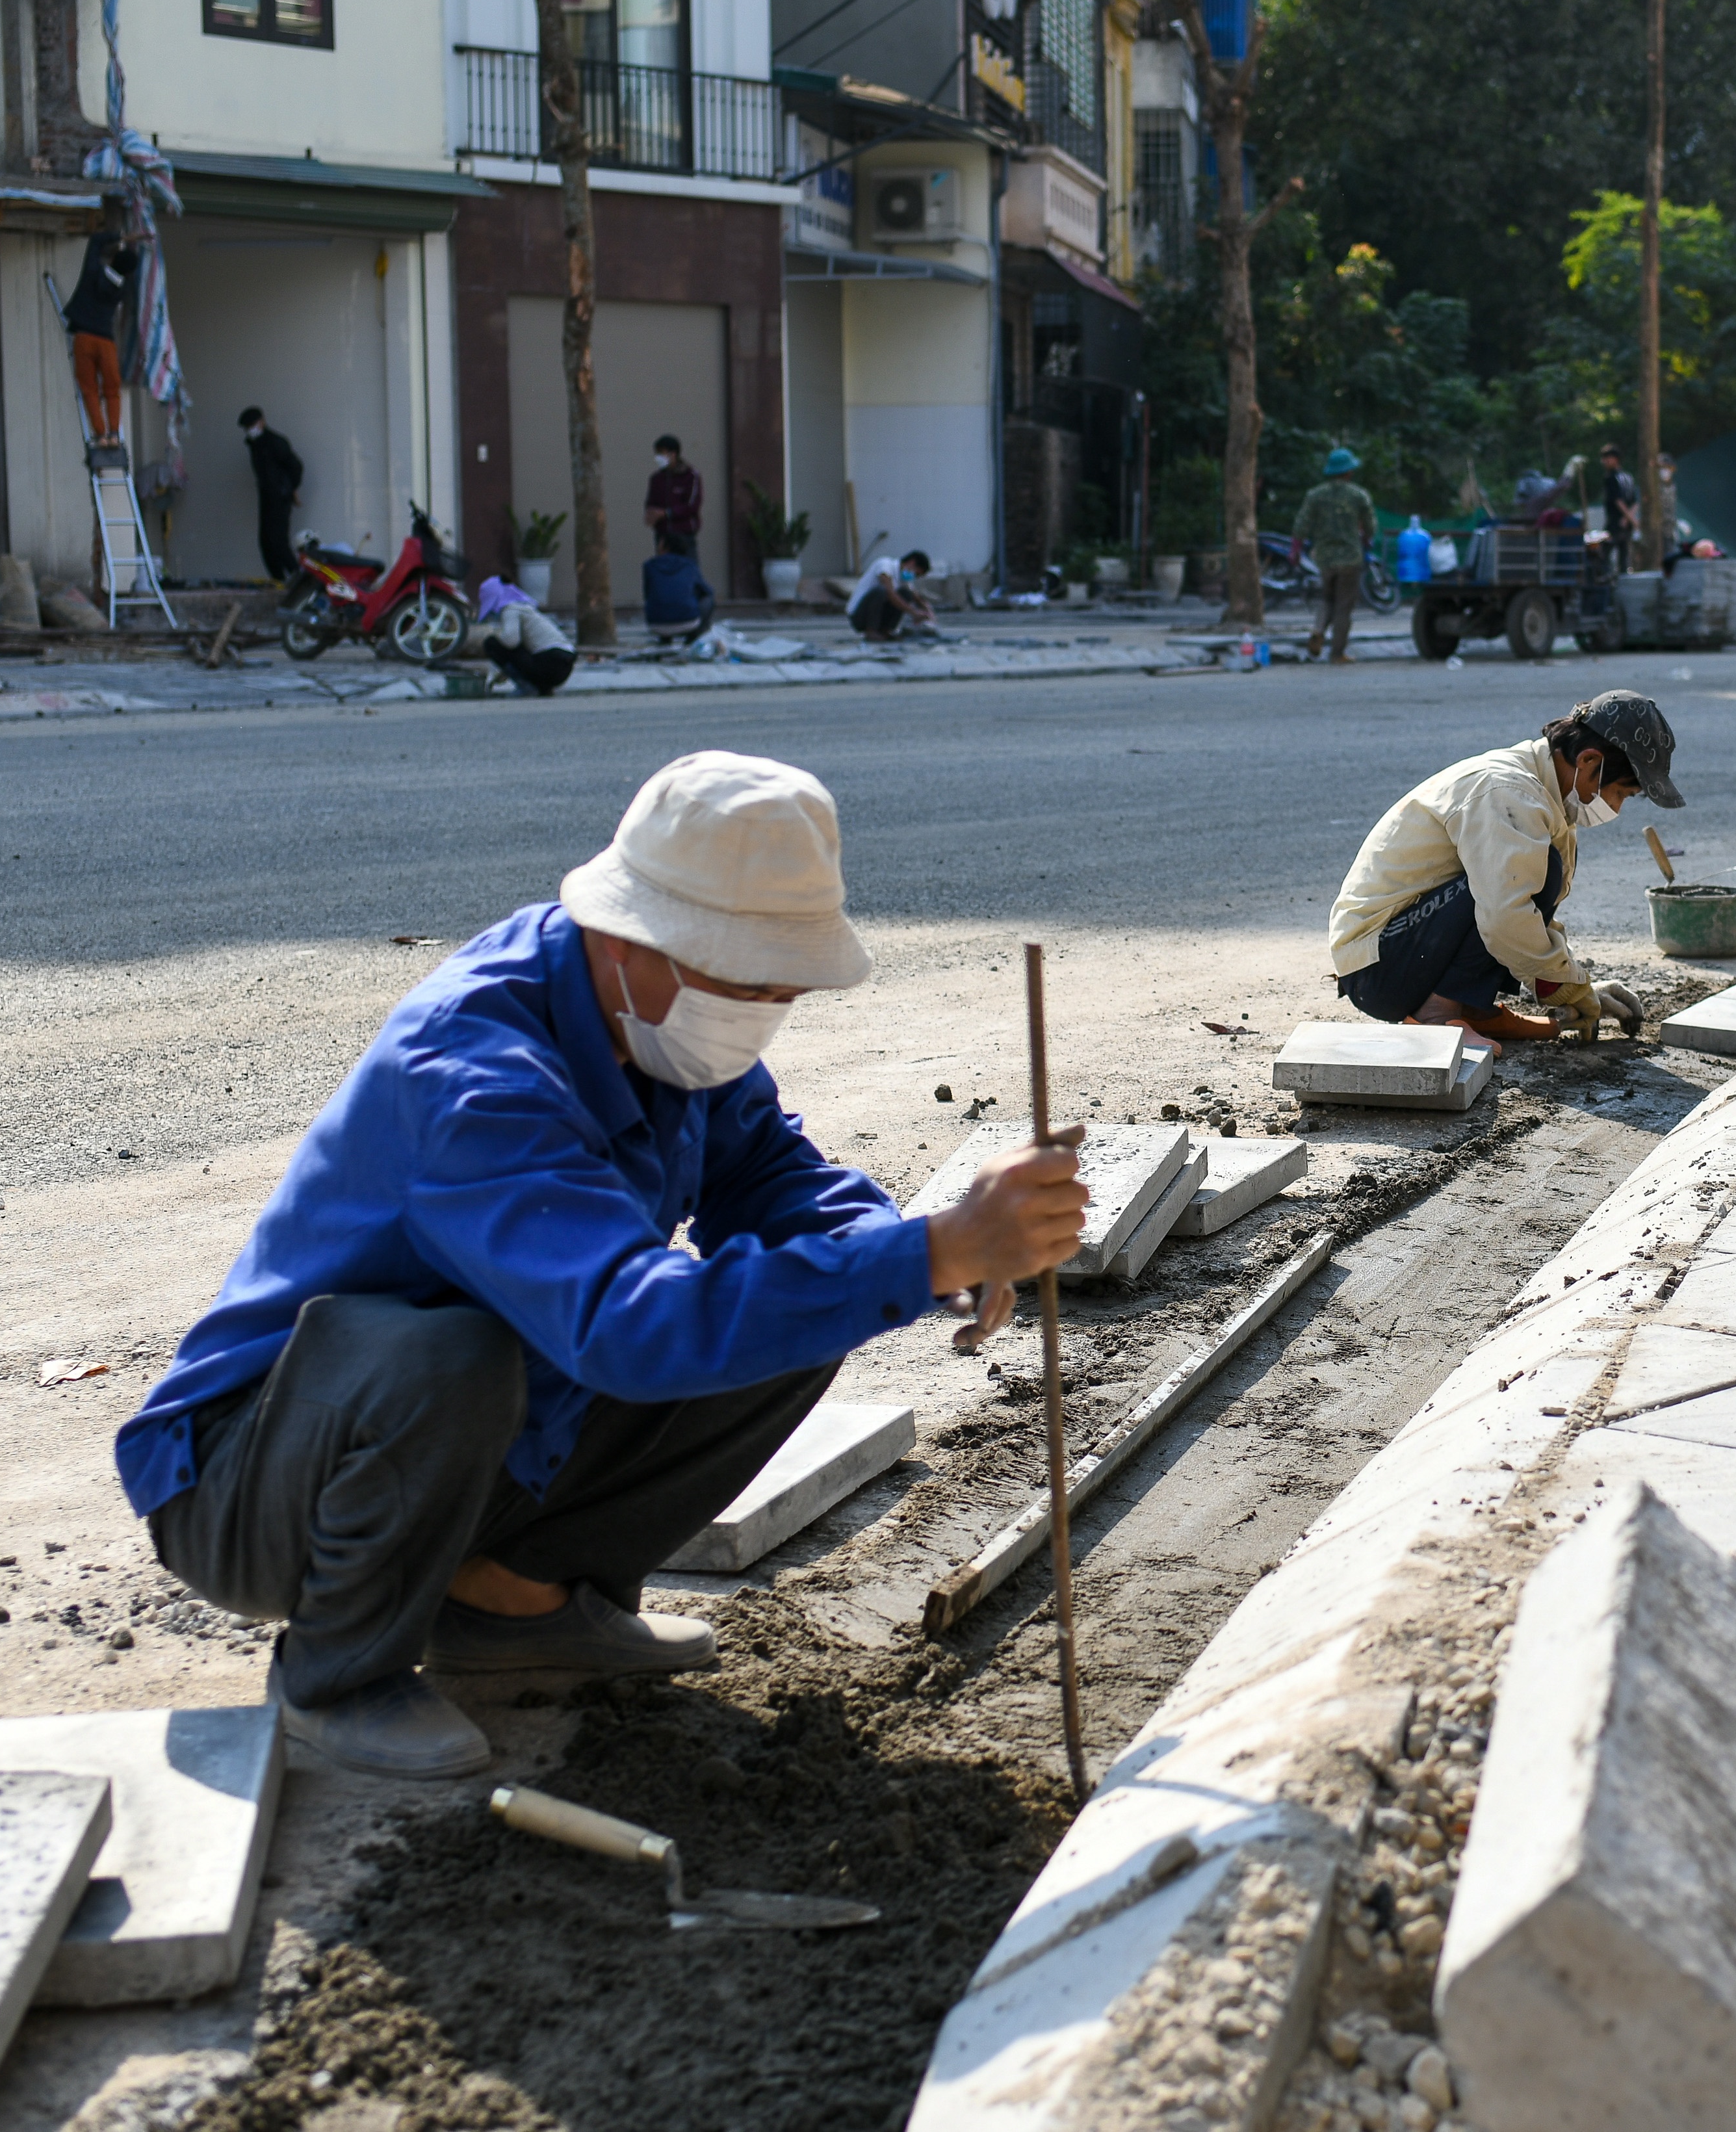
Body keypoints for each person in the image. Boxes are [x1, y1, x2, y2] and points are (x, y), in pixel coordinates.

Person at [115, 753, 1089, 1777]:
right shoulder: (474, 1074)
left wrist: (918, 1252)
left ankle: (517, 1601)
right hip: (256, 1480)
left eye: (780, 990)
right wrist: (936, 1245)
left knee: (818, 1289)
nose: (765, 1011)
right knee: (454, 1352)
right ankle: (336, 1676)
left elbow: (769, 1172)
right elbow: (625, 1328)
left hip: (464, 1429)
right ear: (635, 941)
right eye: (748, 984)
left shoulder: (655, 1023)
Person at [1328, 692, 1681, 1043]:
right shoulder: (1508, 792)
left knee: (1529, 879)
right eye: (1621, 793)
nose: (1617, 808)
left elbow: (1528, 919)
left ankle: (1471, 1009)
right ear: (1589, 761)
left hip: (1401, 956)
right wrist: (1570, 989)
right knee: (1530, 881)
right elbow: (1507, 917)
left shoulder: (1543, 797)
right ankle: (1438, 1016)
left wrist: (1574, 981)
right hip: (1378, 968)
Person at [1294, 447, 1377, 662]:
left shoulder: (1315, 495)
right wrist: (1367, 540)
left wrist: (1294, 551)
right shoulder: (1358, 495)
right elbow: (1370, 528)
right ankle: (1337, 652)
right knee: (1344, 605)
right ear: (1349, 472)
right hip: (1350, 558)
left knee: (1327, 599)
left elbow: (1301, 526)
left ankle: (1318, 629)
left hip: (1325, 558)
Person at [64, 232, 137, 454]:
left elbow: (95, 242)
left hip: (84, 338)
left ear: (112, 260)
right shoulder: (122, 290)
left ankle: (100, 434)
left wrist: (120, 236)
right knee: (112, 389)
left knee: (89, 389)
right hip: (106, 341)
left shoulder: (93, 273)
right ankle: (114, 433)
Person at [471, 575, 577, 696]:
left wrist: (493, 634)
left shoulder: (511, 610)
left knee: (492, 644)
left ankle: (526, 686)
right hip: (564, 664)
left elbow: (511, 642)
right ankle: (543, 689)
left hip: (550, 662)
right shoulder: (525, 608)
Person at [239, 408, 305, 583]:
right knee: (266, 543)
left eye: (252, 425)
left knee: (278, 541)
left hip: (279, 496)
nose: (250, 430)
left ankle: (298, 577)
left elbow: (295, 467)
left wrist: (291, 489)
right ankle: (279, 580)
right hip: (267, 496)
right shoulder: (255, 444)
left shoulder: (275, 443)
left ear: (262, 422)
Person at [848, 549, 942, 640]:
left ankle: (886, 630)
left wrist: (927, 610)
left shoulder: (903, 579)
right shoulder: (885, 566)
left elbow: (915, 596)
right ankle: (871, 631)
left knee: (906, 594)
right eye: (916, 574)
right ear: (912, 563)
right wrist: (914, 613)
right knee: (882, 592)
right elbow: (890, 594)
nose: (914, 577)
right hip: (859, 616)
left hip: (878, 617)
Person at [645, 434, 703, 561]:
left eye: (662, 453)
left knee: (688, 573)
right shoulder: (657, 479)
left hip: (684, 536)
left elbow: (692, 506)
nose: (659, 458)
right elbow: (651, 502)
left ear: (673, 454)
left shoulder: (691, 477)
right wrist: (651, 514)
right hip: (663, 536)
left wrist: (667, 513)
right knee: (664, 573)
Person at [1598, 445, 1640, 567]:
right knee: (1624, 555)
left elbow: (1618, 501)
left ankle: (1606, 580)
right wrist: (1631, 520)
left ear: (1615, 459)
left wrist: (1625, 518)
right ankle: (1623, 580)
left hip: (1615, 523)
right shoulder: (1629, 477)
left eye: (1607, 458)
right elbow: (1635, 502)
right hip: (1627, 524)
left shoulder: (1611, 478)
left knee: (1604, 553)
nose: (1604, 462)